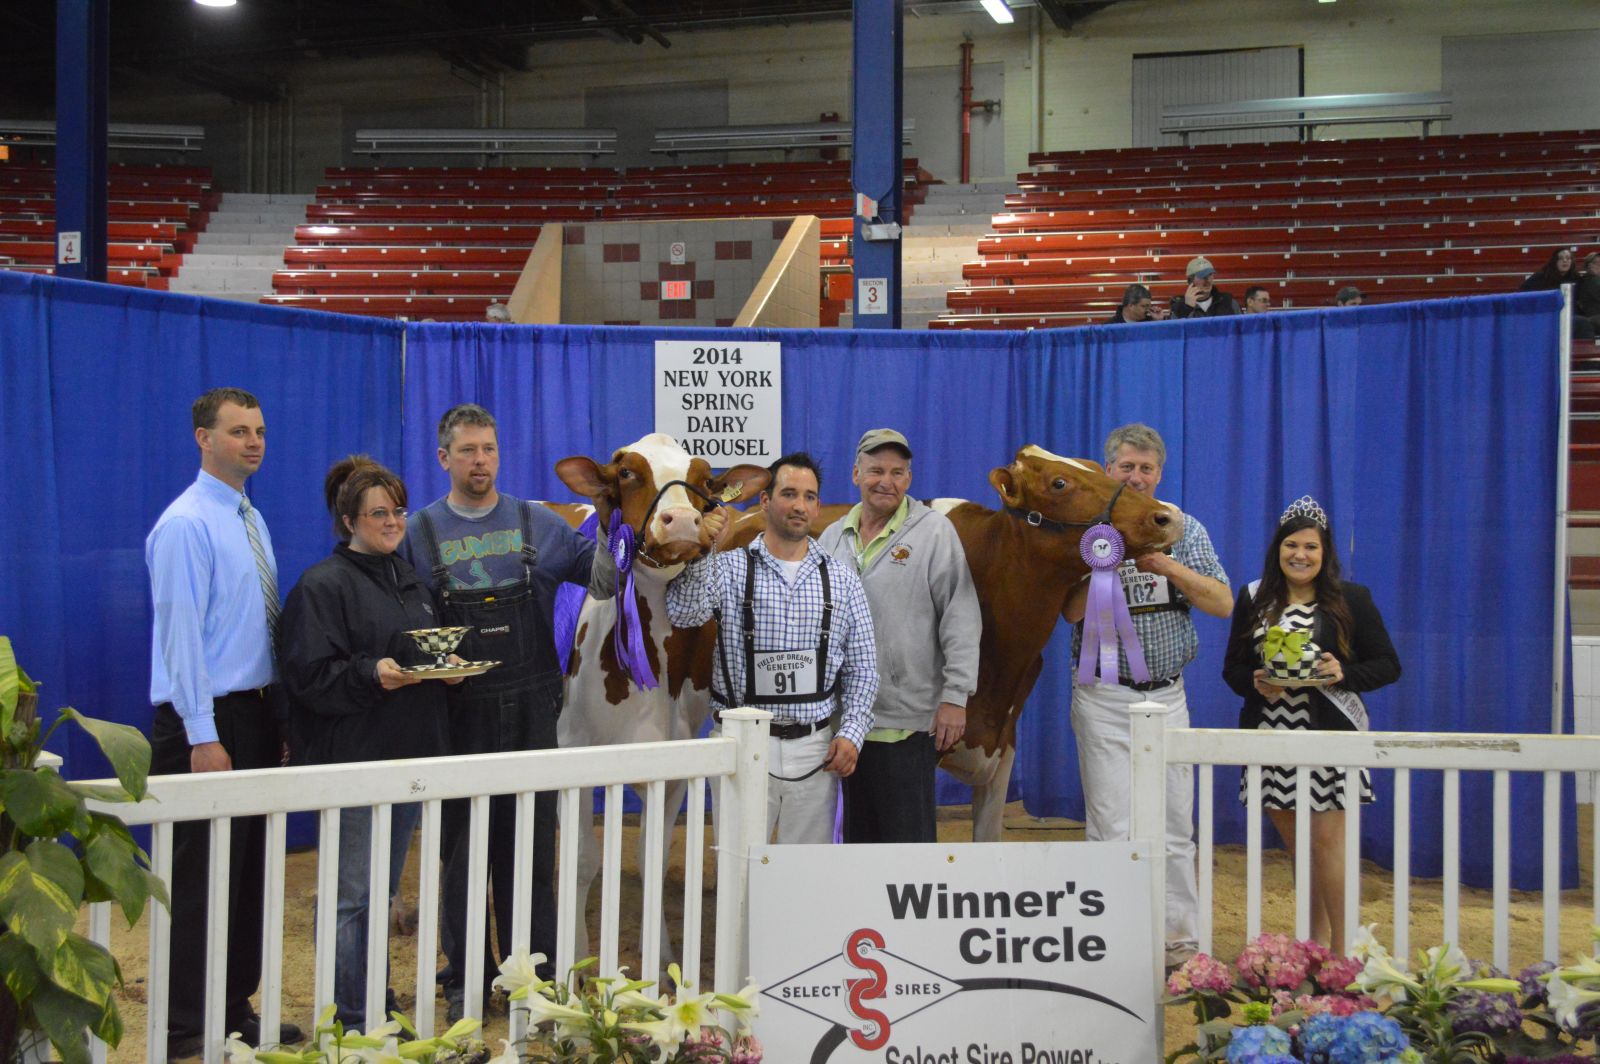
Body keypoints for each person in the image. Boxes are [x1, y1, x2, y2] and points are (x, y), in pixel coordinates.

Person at [399, 403, 611, 1021]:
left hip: (531, 709)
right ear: (444, 459)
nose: (480, 461)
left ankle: (533, 980)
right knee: (462, 855)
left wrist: (615, 525)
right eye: (467, 450)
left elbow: (601, 583)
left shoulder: (536, 521)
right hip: (457, 715)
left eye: (488, 448)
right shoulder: (418, 532)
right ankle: (466, 983)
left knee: (532, 854)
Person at [146, 387, 303, 1056]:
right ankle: (186, 1028)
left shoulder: (249, 518)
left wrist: (282, 720)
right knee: (199, 881)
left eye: (260, 429)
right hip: (205, 724)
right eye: (239, 431)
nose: (255, 441)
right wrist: (203, 734)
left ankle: (233, 1009)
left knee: (247, 877)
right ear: (204, 440)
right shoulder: (186, 524)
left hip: (257, 714)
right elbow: (181, 640)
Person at [279, 457, 456, 1031]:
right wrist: (368, 674)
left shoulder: (411, 582)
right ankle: (351, 1019)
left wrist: (442, 667)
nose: (393, 521)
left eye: (399, 510)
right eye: (379, 512)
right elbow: (307, 678)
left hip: (405, 759)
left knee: (378, 891)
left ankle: (375, 1007)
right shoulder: (321, 586)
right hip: (354, 759)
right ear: (349, 519)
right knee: (352, 894)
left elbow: (412, 656)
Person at [1063, 423, 1233, 970]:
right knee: (1110, 824)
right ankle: (1113, 940)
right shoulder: (1085, 533)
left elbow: (1223, 602)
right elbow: (1067, 613)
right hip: (1103, 697)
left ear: (1159, 474)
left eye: (1146, 468)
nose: (1136, 476)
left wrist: (1167, 565)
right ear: (1106, 470)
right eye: (1126, 467)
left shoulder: (1183, 528)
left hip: (1167, 697)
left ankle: (1179, 941)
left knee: (1174, 824)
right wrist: (1102, 567)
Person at [667, 452, 877, 843]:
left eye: (810, 497)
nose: (800, 505)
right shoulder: (727, 568)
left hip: (816, 749)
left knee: (806, 876)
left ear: (817, 506)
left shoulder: (843, 581)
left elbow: (863, 669)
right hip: (742, 743)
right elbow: (683, 613)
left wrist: (851, 733)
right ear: (765, 501)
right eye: (789, 493)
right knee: (739, 875)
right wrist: (704, 548)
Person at [1222, 497, 1400, 951]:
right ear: (1278, 548)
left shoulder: (1350, 600)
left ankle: (1345, 951)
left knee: (1326, 847)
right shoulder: (1253, 596)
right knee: (1302, 854)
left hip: (1330, 736)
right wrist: (1257, 682)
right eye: (1292, 545)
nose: (1300, 555)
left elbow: (1387, 665)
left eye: (1311, 547)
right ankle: (1315, 947)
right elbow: (1234, 669)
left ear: (1325, 554)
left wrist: (1343, 671)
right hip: (1272, 737)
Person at [818, 430, 980, 843]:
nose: (885, 481)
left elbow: (960, 616)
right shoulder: (832, 537)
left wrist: (955, 697)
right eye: (875, 470)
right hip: (843, 726)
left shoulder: (934, 532)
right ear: (856, 473)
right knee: (856, 844)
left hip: (905, 725)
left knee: (908, 851)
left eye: (897, 472)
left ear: (909, 480)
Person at [1168, 256, 1240, 319]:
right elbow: (1174, 332)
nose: (1208, 280)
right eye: (1203, 277)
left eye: (1210, 275)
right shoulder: (1179, 309)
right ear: (1190, 280)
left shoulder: (1228, 302)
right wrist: (1186, 309)